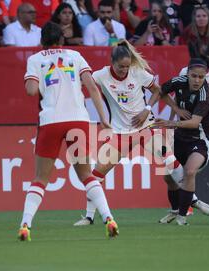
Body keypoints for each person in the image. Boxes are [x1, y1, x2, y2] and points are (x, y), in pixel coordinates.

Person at [19, 22, 119, 241]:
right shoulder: (75, 56)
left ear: (41, 41)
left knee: (40, 179)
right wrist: (103, 119)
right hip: (78, 120)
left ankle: (26, 225)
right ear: (62, 40)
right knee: (86, 175)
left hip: (51, 121)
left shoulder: (35, 60)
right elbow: (92, 88)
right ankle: (109, 218)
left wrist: (37, 80)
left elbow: (31, 91)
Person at [73, 39, 183, 226]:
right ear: (111, 62)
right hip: (120, 134)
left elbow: (158, 90)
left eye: (126, 66)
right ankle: (89, 217)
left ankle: (190, 201)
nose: (124, 70)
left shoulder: (137, 73)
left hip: (146, 127)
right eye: (120, 67)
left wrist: (147, 109)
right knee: (97, 174)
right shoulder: (100, 76)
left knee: (170, 159)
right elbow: (81, 85)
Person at [154, 58, 209, 226]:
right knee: (168, 178)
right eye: (194, 76)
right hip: (180, 137)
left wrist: (170, 122)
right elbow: (159, 91)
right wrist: (175, 108)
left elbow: (195, 123)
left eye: (201, 77)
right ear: (187, 74)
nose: (197, 80)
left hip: (200, 140)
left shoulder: (206, 93)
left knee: (189, 172)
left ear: (205, 77)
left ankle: (182, 217)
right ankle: (178, 209)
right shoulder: (179, 82)